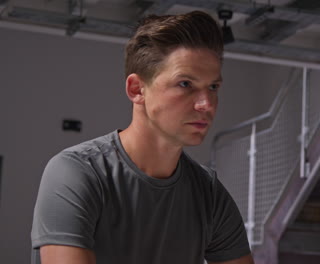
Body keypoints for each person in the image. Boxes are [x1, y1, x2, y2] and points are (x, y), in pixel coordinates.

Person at [31, 11, 254, 264]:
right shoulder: (76, 173)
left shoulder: (208, 194)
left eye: (213, 87)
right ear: (137, 89)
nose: (206, 104)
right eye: (185, 84)